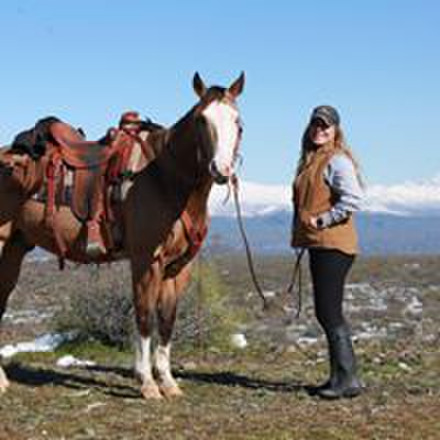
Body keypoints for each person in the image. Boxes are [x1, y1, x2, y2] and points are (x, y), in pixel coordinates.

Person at [291, 105, 364, 399]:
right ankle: (339, 378)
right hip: (320, 244)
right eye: (316, 124)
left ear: (335, 131)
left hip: (334, 244)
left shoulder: (337, 160)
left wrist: (322, 221)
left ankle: (347, 380)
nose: (320, 129)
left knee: (329, 312)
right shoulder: (312, 161)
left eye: (326, 126)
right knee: (327, 312)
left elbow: (353, 199)